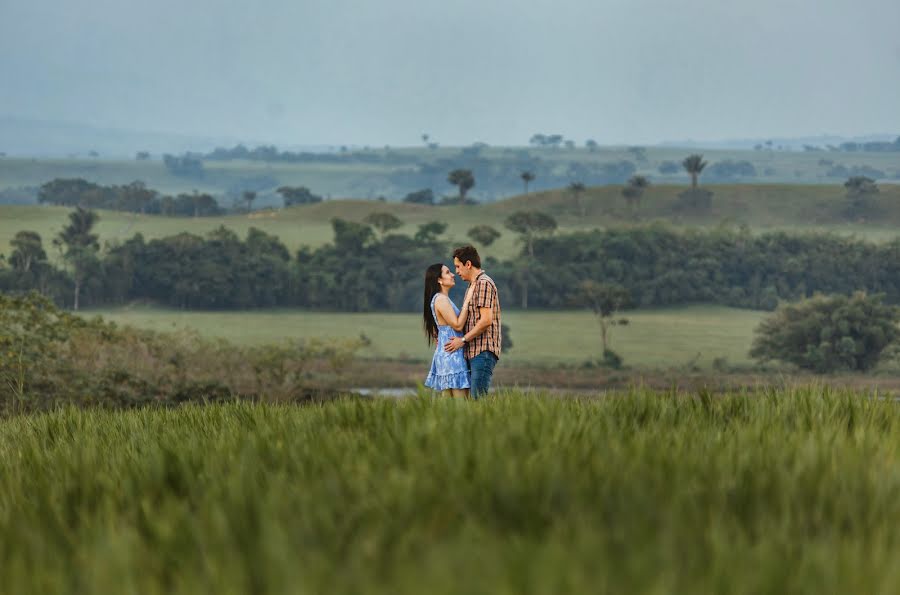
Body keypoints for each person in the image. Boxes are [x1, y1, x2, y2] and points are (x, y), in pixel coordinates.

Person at [444, 245, 501, 398]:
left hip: (483, 351)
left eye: (458, 266)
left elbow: (486, 320)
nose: (456, 271)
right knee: (470, 402)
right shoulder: (472, 285)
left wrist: (462, 340)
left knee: (478, 401)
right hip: (473, 351)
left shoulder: (483, 283)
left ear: (468, 264)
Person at [423, 263, 474, 397]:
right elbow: (457, 325)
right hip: (452, 356)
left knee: (448, 407)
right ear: (439, 280)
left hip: (447, 354)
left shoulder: (441, 299)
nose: (452, 275)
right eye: (447, 272)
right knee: (460, 406)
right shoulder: (441, 299)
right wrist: (467, 302)